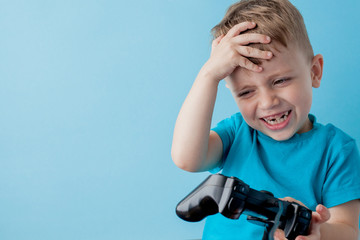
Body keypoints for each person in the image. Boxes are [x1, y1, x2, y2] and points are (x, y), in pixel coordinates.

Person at [171, 0, 360, 239]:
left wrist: (319, 232)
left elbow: (349, 230)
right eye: (246, 92)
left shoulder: (337, 150)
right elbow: (187, 158)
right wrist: (209, 75)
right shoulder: (237, 132)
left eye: (280, 81)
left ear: (314, 72)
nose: (268, 102)